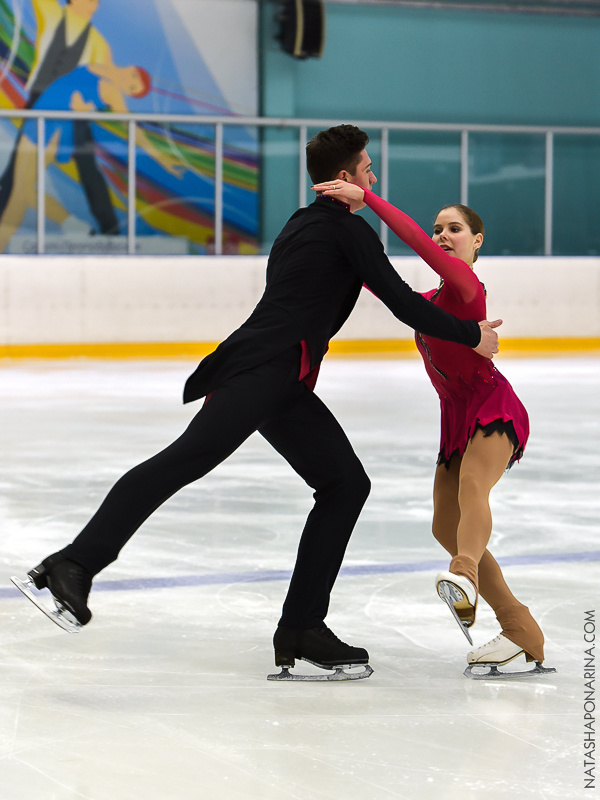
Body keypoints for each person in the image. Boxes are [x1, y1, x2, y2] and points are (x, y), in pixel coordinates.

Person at [17, 125, 501, 681]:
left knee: (345, 484)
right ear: (344, 178)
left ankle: (301, 627)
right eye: (367, 167)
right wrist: (471, 335)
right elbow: (401, 302)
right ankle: (75, 562)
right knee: (183, 461)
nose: (374, 175)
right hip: (264, 373)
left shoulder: (299, 225)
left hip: (279, 378)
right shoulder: (350, 233)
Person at [311, 177, 548, 675]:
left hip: (491, 406)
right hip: (455, 416)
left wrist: (369, 200)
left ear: (477, 240)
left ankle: (465, 573)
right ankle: (519, 626)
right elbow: (379, 280)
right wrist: (342, 233)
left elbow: (417, 245)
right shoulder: (430, 299)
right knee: (445, 523)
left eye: (454, 229)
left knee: (472, 485)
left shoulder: (466, 287)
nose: (442, 235)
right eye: (439, 228)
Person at [0, 64, 184, 253]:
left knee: (19, 193)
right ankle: (71, 224)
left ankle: (68, 224)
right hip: (40, 117)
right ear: (131, 70)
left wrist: (162, 159)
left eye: (131, 90)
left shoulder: (111, 90)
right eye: (132, 81)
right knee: (20, 192)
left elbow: (132, 129)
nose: (127, 86)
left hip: (52, 128)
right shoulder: (101, 62)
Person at [0, 0, 119, 237]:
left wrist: (89, 110)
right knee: (17, 169)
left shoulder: (99, 43)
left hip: (73, 112)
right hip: (40, 103)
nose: (95, 2)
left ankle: (111, 233)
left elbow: (111, 84)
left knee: (88, 169)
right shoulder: (51, 12)